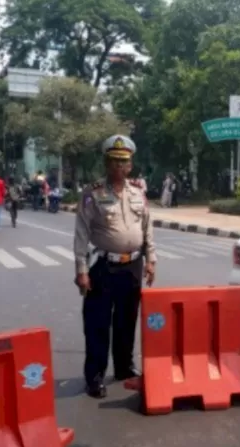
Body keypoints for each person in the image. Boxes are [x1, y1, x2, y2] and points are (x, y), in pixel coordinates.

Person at [73, 134, 157, 398]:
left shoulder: (138, 193)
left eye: (124, 163)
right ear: (106, 164)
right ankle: (95, 376)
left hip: (132, 264)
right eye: (114, 162)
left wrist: (151, 259)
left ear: (130, 165)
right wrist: (81, 270)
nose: (119, 168)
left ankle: (123, 367)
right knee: (98, 323)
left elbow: (147, 227)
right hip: (103, 266)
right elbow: (82, 233)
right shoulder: (92, 193)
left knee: (126, 320)